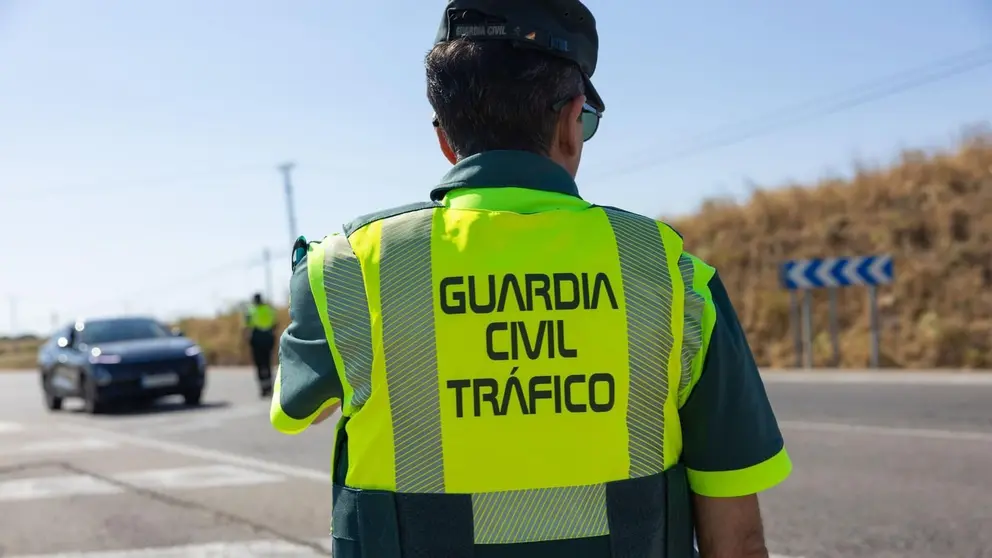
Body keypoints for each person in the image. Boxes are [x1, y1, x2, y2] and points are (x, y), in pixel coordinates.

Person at [270, 0, 792, 556]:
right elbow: (736, 538)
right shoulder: (673, 275)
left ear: (445, 139)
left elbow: (302, 410)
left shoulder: (349, 267)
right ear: (572, 122)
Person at [244, 292, 276, 397]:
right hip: (268, 337)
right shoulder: (268, 309)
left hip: (257, 337)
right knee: (267, 364)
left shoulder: (251, 310)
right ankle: (269, 387)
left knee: (259, 365)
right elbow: (274, 324)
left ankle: (263, 388)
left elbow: (247, 326)